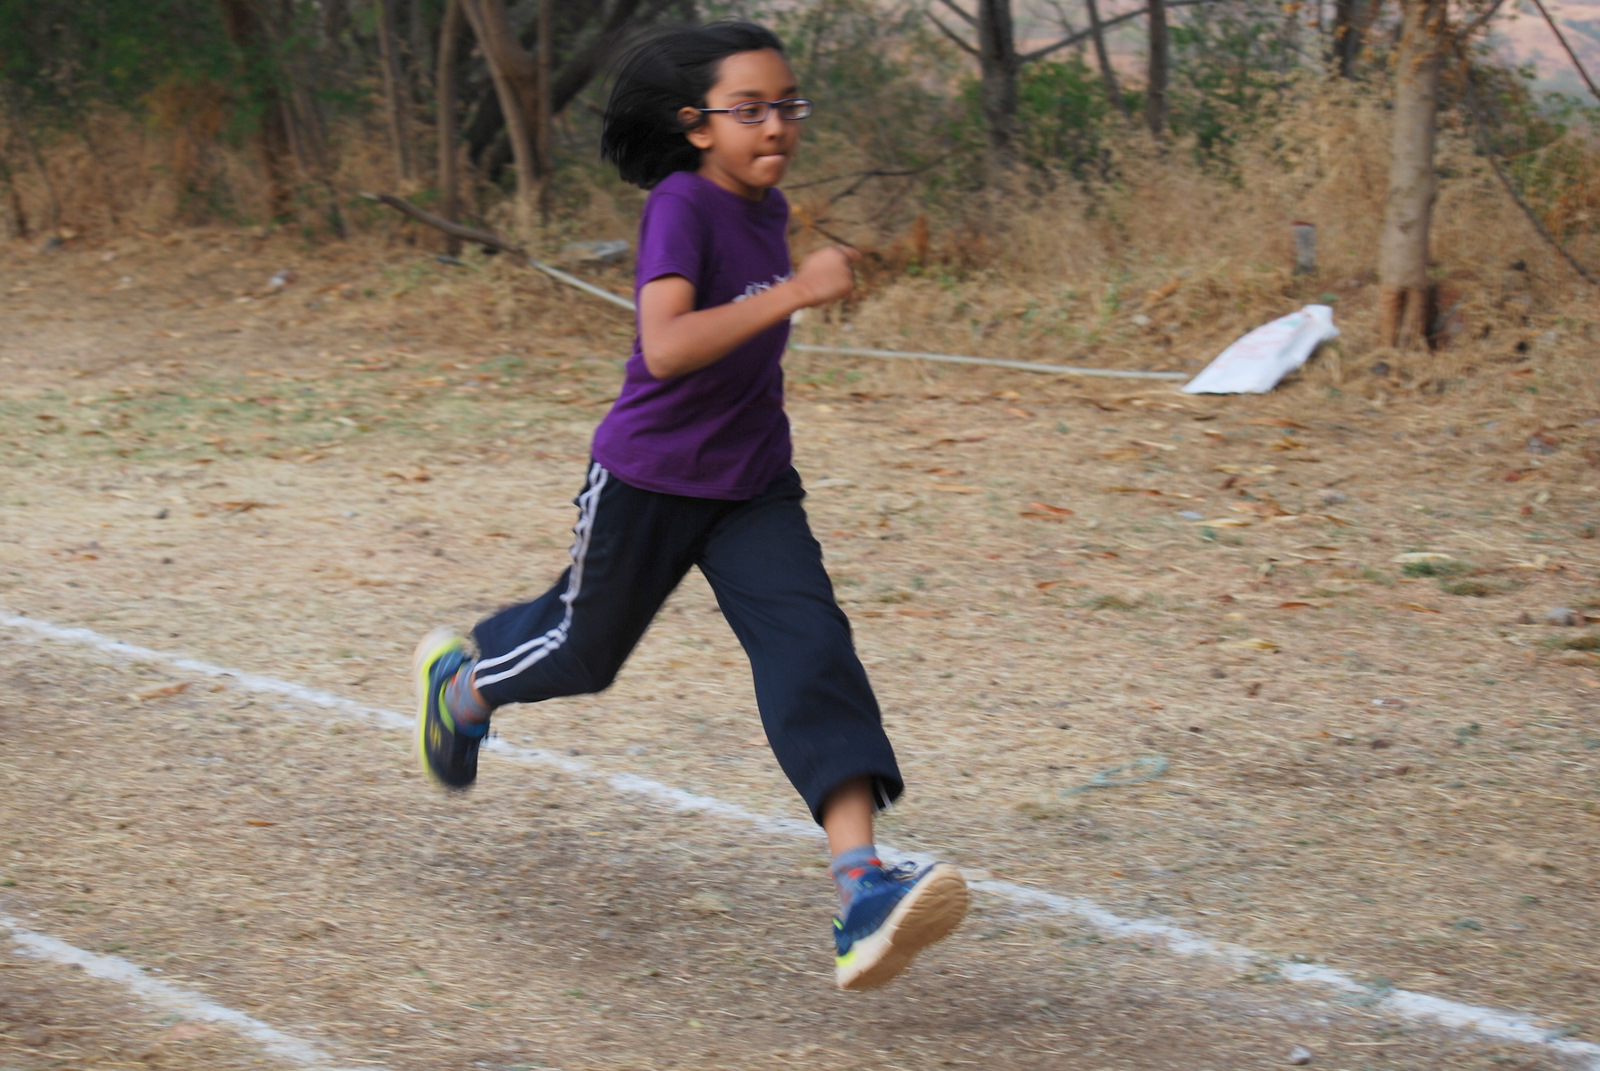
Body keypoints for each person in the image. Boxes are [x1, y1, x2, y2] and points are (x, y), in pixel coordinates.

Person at [412, 19, 967, 991]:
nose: (776, 125)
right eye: (749, 109)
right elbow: (666, 345)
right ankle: (462, 690)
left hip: (753, 485)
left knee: (813, 652)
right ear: (696, 125)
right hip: (651, 480)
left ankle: (861, 890)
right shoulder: (682, 204)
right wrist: (798, 291)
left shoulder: (767, 206)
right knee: (583, 651)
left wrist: (792, 287)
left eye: (786, 105)